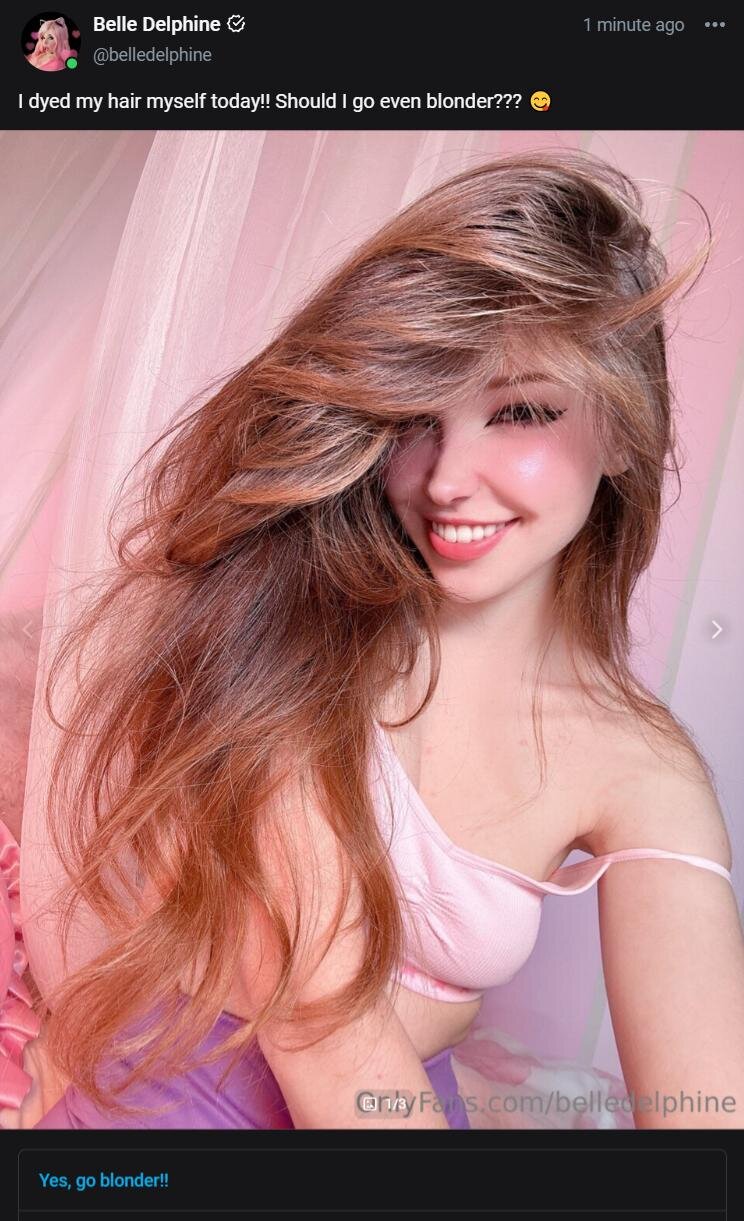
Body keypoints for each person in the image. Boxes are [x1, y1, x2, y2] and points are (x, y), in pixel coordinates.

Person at [4, 152, 744, 1131]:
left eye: (521, 410)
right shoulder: (303, 632)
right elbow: (322, 1033)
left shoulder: (640, 763)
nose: (447, 479)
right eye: (415, 419)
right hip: (176, 1114)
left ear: (621, 430)